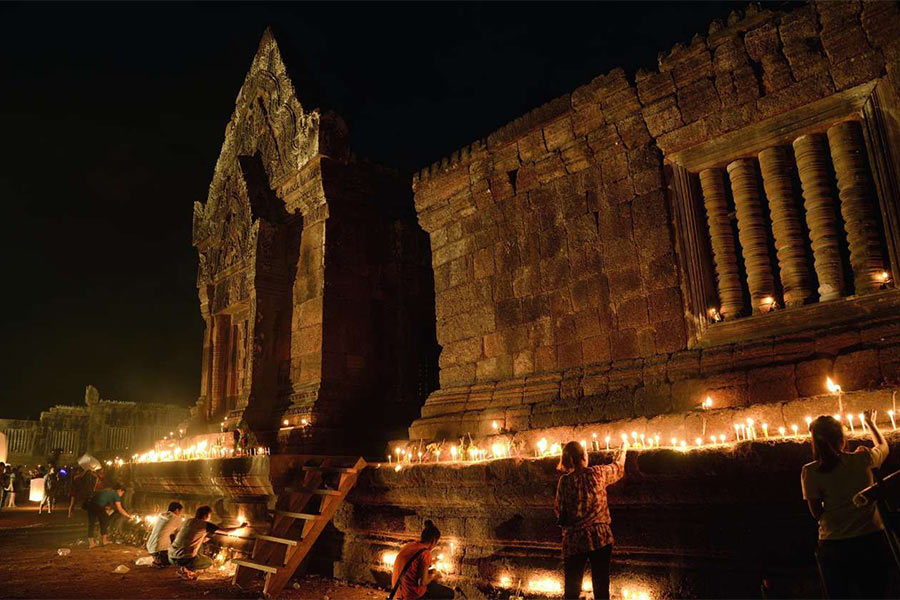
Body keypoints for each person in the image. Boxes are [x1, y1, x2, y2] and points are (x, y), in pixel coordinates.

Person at [802, 410, 892, 598]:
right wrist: (870, 423)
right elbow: (884, 447)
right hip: (871, 538)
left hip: (834, 544)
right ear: (841, 438)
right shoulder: (863, 458)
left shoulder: (810, 471)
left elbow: (816, 513)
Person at [555, 440, 627, 600]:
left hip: (573, 541)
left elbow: (559, 511)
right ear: (583, 457)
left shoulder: (564, 482)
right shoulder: (597, 473)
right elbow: (618, 468)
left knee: (572, 590)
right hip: (599, 538)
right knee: (601, 587)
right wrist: (624, 449)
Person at [168, 505, 246, 580]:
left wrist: (210, 535)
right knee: (208, 562)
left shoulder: (187, 521)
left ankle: (183, 569)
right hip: (182, 559)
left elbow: (197, 538)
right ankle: (187, 571)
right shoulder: (205, 524)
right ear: (206, 515)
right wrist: (240, 527)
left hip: (171, 557)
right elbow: (226, 531)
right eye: (210, 515)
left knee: (199, 547)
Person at [390, 520, 442, 600]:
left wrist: (428, 572)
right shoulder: (426, 553)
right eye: (436, 543)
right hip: (410, 595)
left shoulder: (410, 545)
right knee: (448, 593)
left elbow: (412, 570)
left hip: (397, 592)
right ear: (433, 541)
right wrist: (434, 577)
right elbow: (422, 582)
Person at [146, 502, 184, 567]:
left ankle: (158, 559)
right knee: (178, 561)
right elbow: (180, 534)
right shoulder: (175, 518)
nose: (180, 513)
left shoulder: (161, 516)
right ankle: (160, 561)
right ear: (177, 510)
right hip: (159, 550)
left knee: (171, 537)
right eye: (180, 511)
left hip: (150, 547)